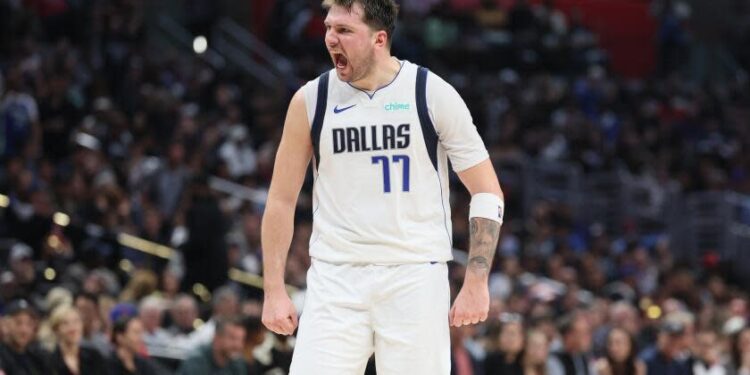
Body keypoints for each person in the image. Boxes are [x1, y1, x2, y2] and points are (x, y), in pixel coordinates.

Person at [260, 0, 504, 373]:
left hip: (414, 276)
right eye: (328, 28)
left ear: (379, 39)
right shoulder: (311, 100)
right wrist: (273, 289)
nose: (330, 39)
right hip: (335, 276)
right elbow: (280, 200)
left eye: (344, 30)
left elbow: (487, 192)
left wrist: (476, 281)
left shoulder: (430, 92)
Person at [49, 304, 107, 375]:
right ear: (56, 330)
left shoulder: (94, 355)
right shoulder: (49, 360)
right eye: (65, 323)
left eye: (76, 322)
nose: (73, 328)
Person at [177, 316, 247, 375]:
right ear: (216, 339)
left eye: (241, 340)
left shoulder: (238, 363)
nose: (238, 345)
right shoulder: (196, 361)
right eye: (233, 338)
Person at [0, 299, 54, 375]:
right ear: (6, 325)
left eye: (29, 324)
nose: (24, 330)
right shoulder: (2, 357)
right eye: (18, 323)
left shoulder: (38, 355)